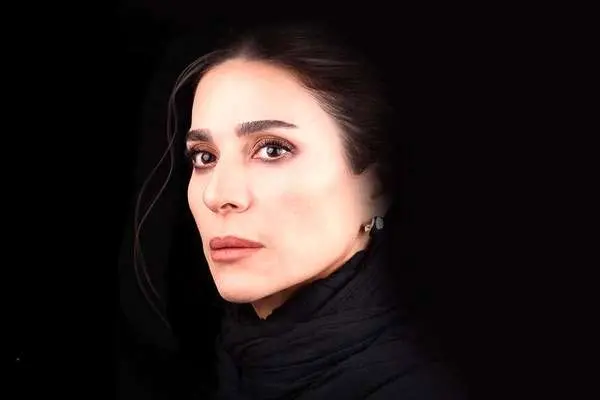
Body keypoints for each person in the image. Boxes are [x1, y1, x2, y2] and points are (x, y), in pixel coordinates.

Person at [162, 20, 468, 399]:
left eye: (272, 149)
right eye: (204, 156)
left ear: (378, 185)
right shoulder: (241, 353)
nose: (217, 195)